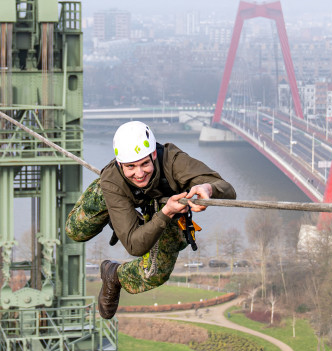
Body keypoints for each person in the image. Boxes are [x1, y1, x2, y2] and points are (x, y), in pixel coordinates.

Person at [65, 121, 236, 319]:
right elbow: (133, 244)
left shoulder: (173, 161)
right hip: (123, 194)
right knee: (75, 230)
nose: (139, 173)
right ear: (120, 164)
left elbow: (228, 189)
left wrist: (208, 189)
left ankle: (114, 275)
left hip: (168, 204)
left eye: (145, 164)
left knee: (154, 275)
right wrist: (122, 209)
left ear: (154, 154)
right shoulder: (114, 178)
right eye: (131, 166)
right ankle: (117, 210)